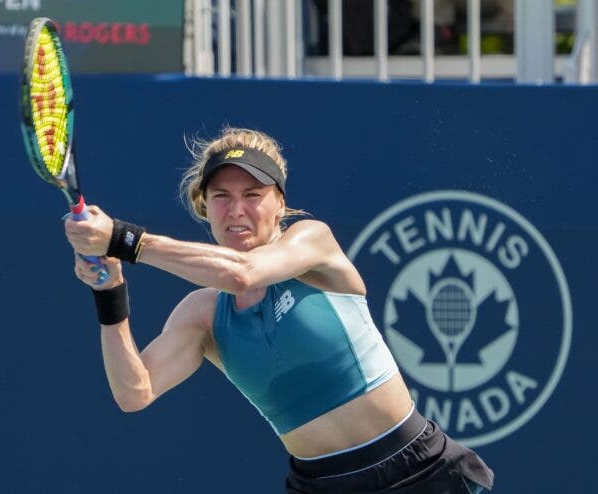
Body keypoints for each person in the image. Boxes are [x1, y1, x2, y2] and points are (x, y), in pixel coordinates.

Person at [64, 127, 494, 493]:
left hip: (419, 473)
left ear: (280, 204)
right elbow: (134, 391)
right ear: (204, 206)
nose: (237, 210)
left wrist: (125, 239)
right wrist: (111, 294)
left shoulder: (312, 243)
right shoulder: (202, 315)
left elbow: (244, 274)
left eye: (253, 194)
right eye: (221, 196)